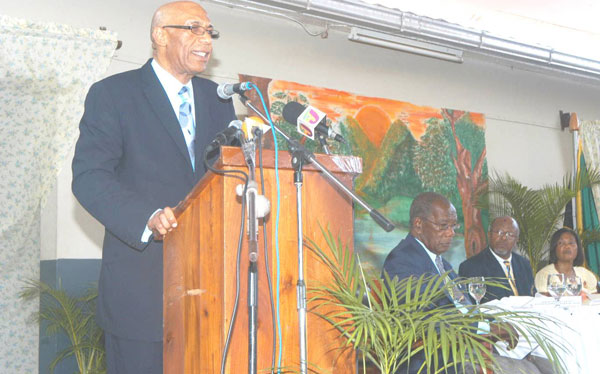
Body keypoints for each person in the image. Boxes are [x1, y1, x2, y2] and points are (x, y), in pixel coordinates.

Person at [71, 2, 237, 373]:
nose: (205, 40)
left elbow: (228, 176)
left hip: (213, 292)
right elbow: (89, 176)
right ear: (160, 35)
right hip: (141, 293)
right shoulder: (113, 94)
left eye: (209, 31)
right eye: (193, 28)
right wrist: (146, 218)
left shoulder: (218, 101)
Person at [381, 192, 550, 374]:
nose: (451, 233)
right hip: (436, 360)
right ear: (419, 224)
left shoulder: (439, 262)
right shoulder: (402, 260)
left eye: (453, 226)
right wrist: (488, 328)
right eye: (443, 226)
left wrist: (496, 322)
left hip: (464, 349)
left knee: (545, 364)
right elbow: (426, 320)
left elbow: (464, 308)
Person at [458, 216, 535, 302]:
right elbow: (472, 304)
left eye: (510, 234)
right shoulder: (471, 267)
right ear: (489, 234)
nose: (504, 238)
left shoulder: (524, 264)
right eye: (499, 232)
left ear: (516, 239)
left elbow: (532, 296)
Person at [535, 227, 598, 294]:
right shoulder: (544, 275)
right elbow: (545, 301)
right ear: (554, 248)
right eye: (561, 243)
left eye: (571, 243)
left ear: (578, 248)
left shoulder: (585, 274)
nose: (567, 246)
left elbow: (595, 300)